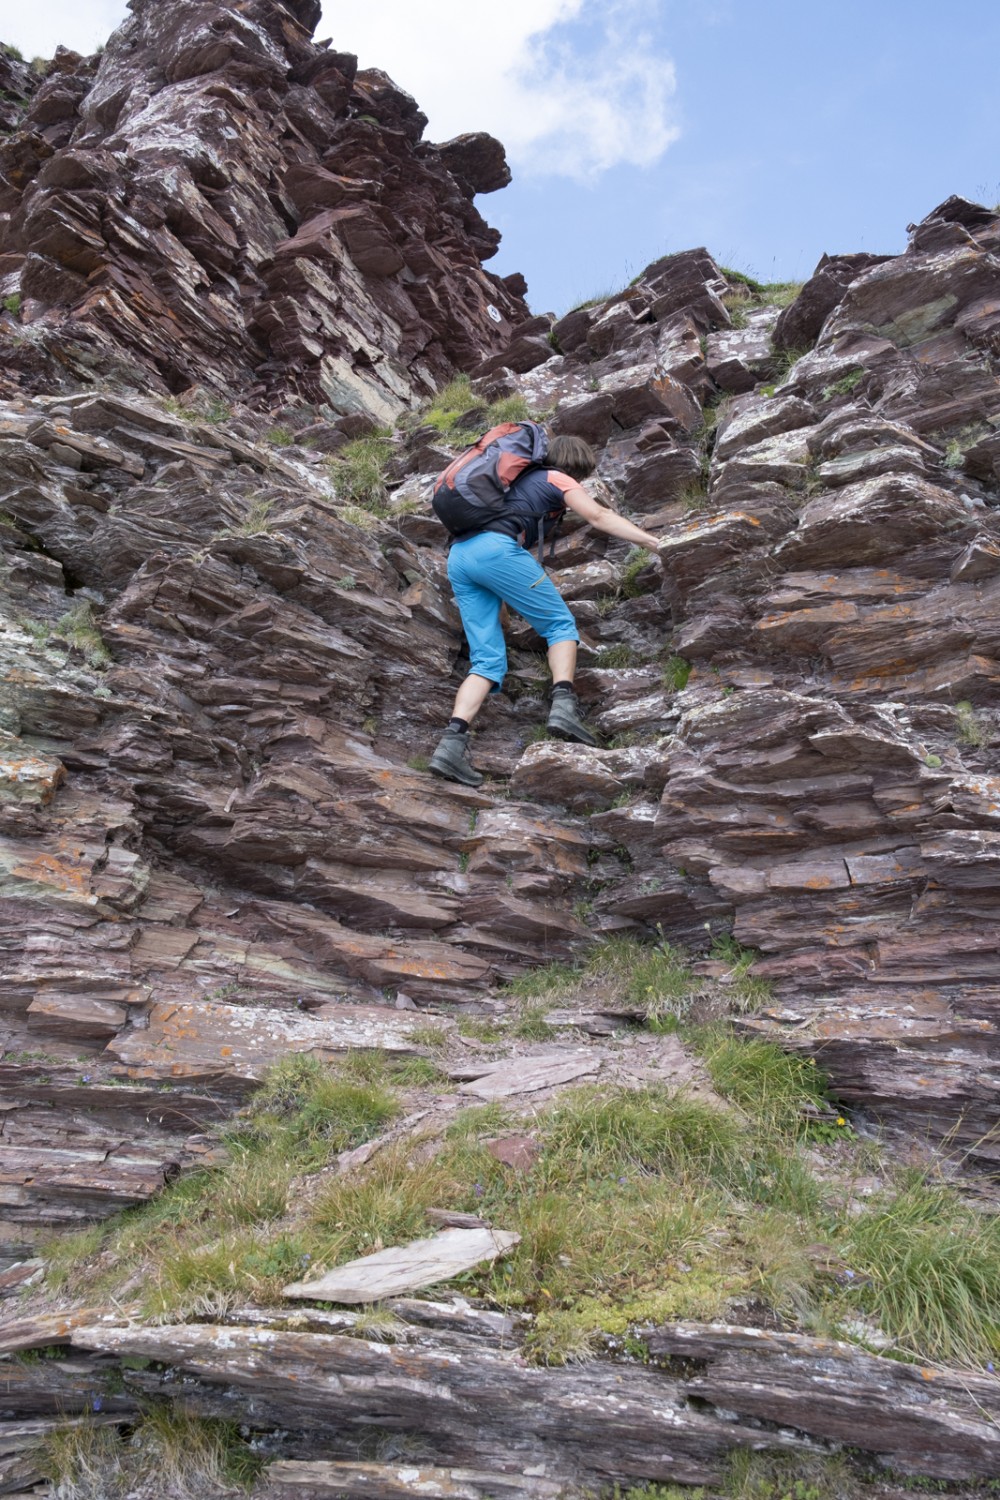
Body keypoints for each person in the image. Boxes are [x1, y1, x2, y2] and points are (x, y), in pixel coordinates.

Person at [429, 434, 662, 786]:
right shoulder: (556, 477)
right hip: (496, 551)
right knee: (559, 626)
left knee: (487, 662)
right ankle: (564, 707)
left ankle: (449, 747)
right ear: (576, 466)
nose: (580, 482)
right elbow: (597, 515)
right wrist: (653, 542)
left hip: (459, 559)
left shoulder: (509, 485)